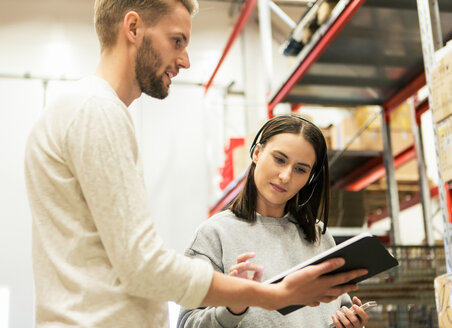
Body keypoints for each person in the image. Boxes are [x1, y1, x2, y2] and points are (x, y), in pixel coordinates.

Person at [24, 0, 367, 327]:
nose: (185, 60)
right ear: (133, 28)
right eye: (177, 41)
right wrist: (271, 295)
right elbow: (143, 265)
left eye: (302, 169)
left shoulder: (93, 111)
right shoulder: (95, 112)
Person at [178, 115, 370, 328]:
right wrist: (234, 308)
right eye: (279, 159)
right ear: (257, 153)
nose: (286, 176)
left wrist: (349, 323)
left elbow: (332, 312)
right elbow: (188, 324)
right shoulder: (214, 235)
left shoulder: (320, 236)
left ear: (309, 178)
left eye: (300, 169)